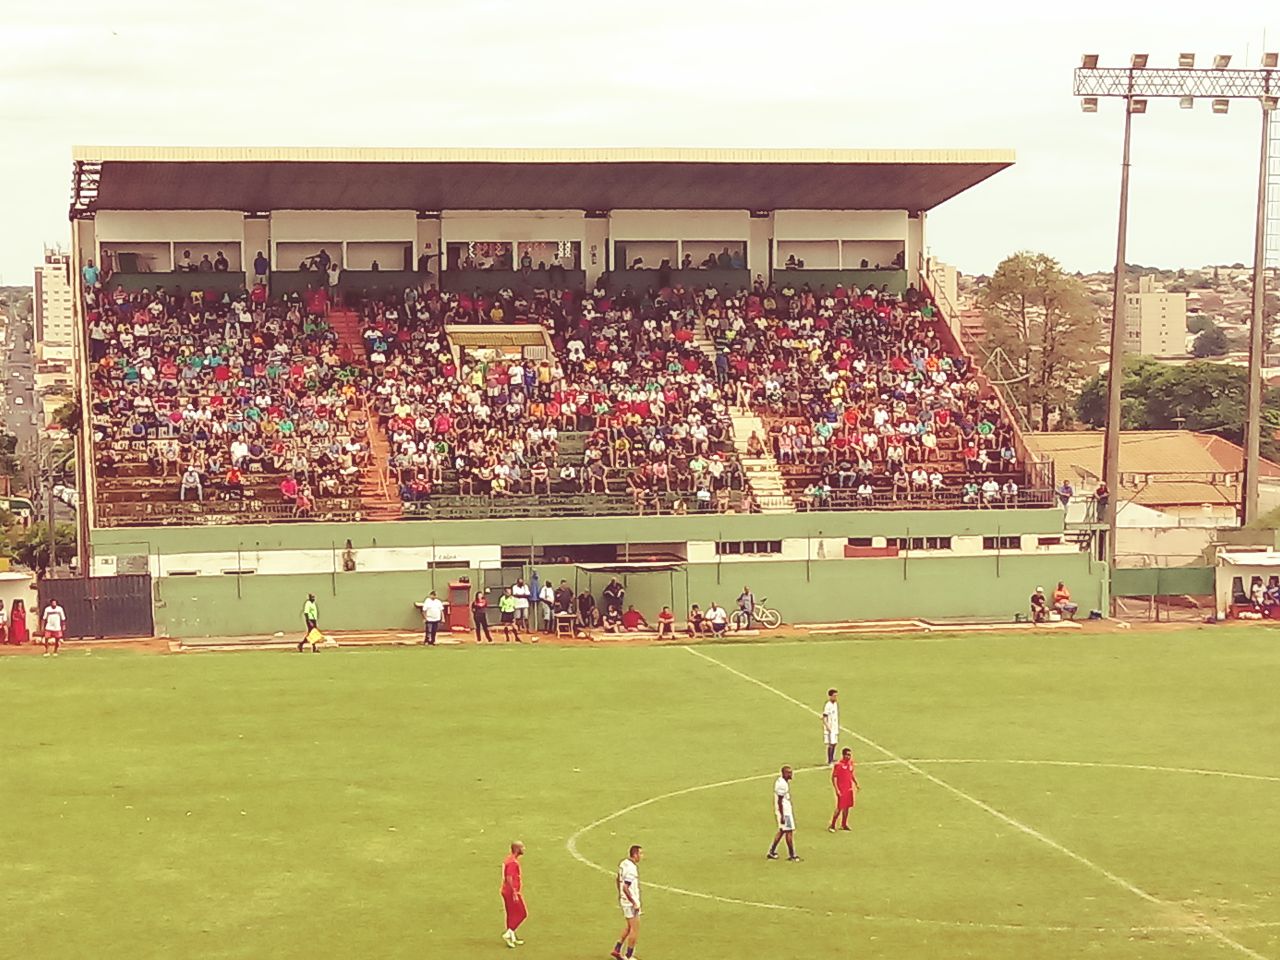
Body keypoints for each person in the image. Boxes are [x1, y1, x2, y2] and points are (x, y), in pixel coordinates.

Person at [612, 845, 643, 960]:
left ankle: (617, 949)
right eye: (640, 853)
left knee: (629, 926)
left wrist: (620, 894)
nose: (641, 856)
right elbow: (626, 887)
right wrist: (634, 902)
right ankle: (629, 956)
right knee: (635, 929)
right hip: (630, 902)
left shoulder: (623, 863)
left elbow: (618, 879)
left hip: (624, 901)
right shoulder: (632, 869)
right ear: (635, 855)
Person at [767, 765, 800, 861]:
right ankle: (792, 855)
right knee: (789, 832)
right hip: (785, 812)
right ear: (783, 773)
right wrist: (782, 816)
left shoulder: (781, 781)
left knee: (782, 831)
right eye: (788, 772)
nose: (791, 774)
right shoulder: (782, 785)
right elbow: (779, 801)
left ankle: (772, 852)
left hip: (784, 810)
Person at [500, 841, 527, 949]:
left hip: (507, 891)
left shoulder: (509, 859)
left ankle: (512, 937)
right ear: (517, 849)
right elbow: (509, 877)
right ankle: (508, 934)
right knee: (522, 913)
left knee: (511, 914)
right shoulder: (512, 863)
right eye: (522, 847)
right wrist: (514, 892)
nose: (524, 849)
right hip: (511, 892)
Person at [829, 748, 859, 832]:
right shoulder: (838, 765)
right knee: (839, 808)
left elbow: (851, 774)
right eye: (847, 755)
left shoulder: (851, 763)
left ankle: (844, 824)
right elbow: (834, 778)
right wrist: (837, 789)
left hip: (849, 789)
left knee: (847, 807)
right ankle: (832, 825)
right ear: (843, 755)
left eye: (850, 755)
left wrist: (856, 783)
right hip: (842, 790)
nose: (849, 757)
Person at [822, 688, 840, 764]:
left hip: (835, 727)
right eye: (834, 696)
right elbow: (824, 717)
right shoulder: (828, 705)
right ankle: (829, 760)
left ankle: (832, 758)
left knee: (835, 743)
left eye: (836, 696)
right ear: (830, 696)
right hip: (830, 728)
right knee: (831, 744)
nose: (836, 697)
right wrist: (827, 727)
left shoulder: (835, 704)